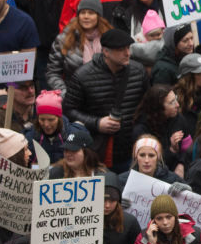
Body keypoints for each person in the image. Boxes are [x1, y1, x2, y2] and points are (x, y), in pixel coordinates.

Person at [63, 28, 148, 171]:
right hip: (98, 154)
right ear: (106, 52)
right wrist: (97, 123)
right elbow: (69, 110)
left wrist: (138, 131)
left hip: (131, 151)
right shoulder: (83, 76)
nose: (128, 53)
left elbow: (147, 107)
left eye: (128, 48)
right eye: (121, 49)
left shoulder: (139, 72)